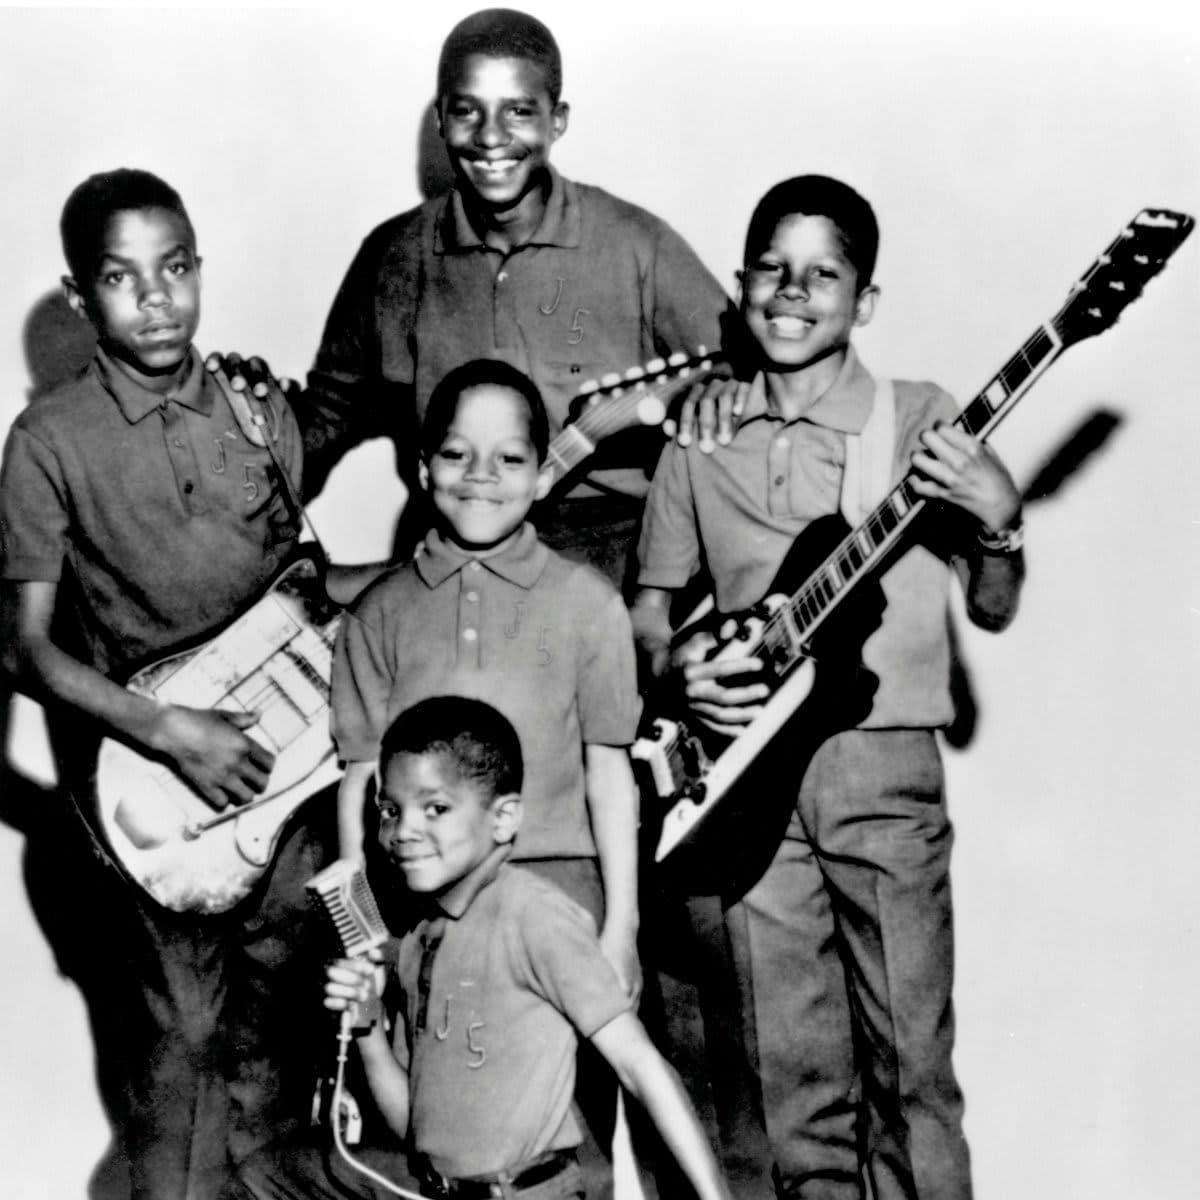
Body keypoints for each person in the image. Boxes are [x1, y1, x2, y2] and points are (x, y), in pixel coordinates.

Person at [632, 175, 1026, 1199]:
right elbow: (647, 609)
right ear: (741, 283)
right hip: (744, 785)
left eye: (824, 273)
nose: (794, 291)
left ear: (866, 300)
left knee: (910, 1078)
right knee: (785, 1089)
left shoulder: (917, 419)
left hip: (878, 769)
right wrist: (676, 664)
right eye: (773, 267)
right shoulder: (700, 433)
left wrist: (999, 519)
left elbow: (993, 606)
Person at [0, 168, 373, 1200]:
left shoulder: (254, 407)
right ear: (83, 300)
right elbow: (22, 651)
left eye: (175, 269)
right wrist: (167, 732)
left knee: (278, 1035)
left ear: (199, 269)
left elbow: (300, 585)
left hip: (286, 785)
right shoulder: (47, 443)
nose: (157, 298)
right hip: (157, 799)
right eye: (123, 278)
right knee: (180, 1057)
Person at [215, 7, 733, 589]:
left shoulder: (638, 244)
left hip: (609, 547)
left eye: (518, 111)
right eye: (467, 110)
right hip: (450, 542)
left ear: (557, 119)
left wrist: (718, 395)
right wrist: (248, 430)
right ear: (442, 118)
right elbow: (331, 412)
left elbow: (745, 366)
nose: (491, 137)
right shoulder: (392, 255)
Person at [329, 358, 642, 1193]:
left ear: (544, 475)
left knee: (563, 1161)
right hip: (429, 928)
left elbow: (611, 774)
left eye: (509, 459)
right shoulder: (380, 614)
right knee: (445, 1151)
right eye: (458, 455)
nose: (481, 478)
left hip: (563, 916)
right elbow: (359, 786)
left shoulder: (587, 604)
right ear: (423, 467)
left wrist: (621, 930)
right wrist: (366, 942)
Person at [231, 695, 733, 1200]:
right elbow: (415, 1127)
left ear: (503, 818)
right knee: (268, 1171)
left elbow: (640, 1065)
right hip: (442, 1188)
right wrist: (367, 1032)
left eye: (436, 809)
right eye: (389, 810)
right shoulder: (420, 942)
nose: (403, 831)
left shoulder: (533, 916)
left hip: (528, 1193)